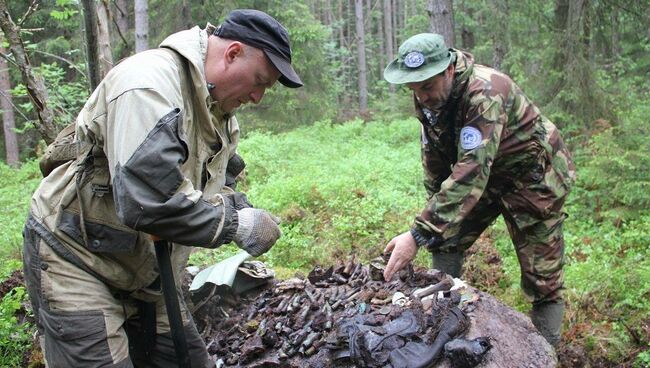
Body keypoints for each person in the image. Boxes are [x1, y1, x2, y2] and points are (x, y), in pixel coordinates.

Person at [22, 9, 302, 367]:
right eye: (260, 81)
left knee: (186, 361)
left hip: (145, 268)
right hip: (77, 259)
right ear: (232, 54)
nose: (259, 96)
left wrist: (238, 207)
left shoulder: (218, 112)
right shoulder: (148, 85)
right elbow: (149, 201)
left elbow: (212, 186)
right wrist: (236, 225)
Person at [381, 33, 575, 347]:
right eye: (413, 89)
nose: (421, 96)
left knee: (543, 279)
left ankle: (546, 349)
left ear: (447, 71)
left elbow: (471, 170)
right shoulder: (428, 95)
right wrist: (432, 223)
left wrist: (416, 233)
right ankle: (442, 316)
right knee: (443, 237)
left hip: (531, 178)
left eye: (427, 87)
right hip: (482, 177)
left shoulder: (485, 92)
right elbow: (436, 159)